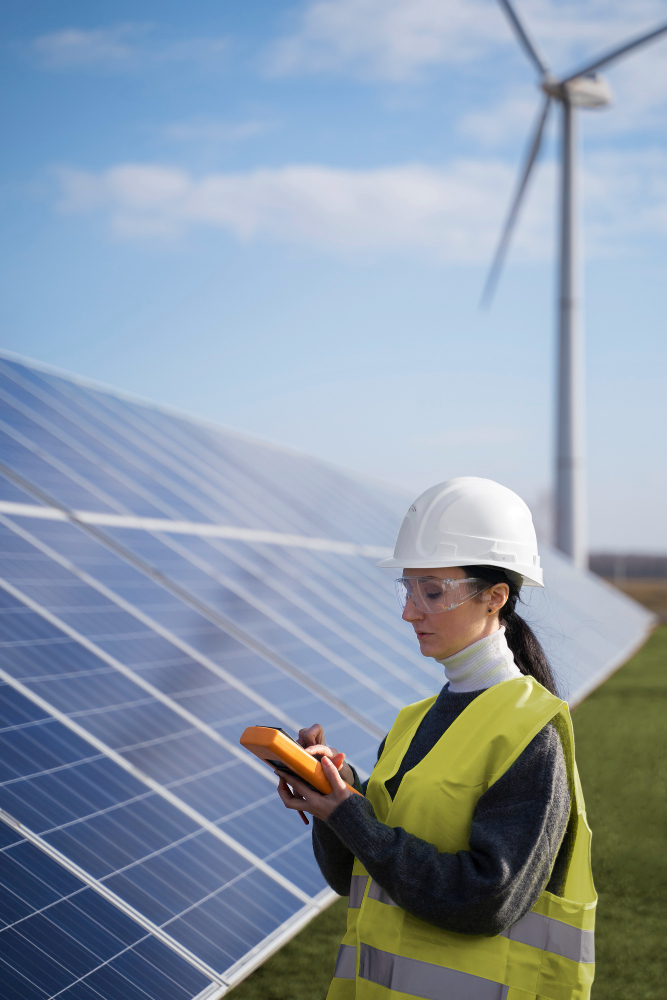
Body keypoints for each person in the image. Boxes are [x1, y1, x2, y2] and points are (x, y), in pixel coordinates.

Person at [276, 477, 596, 1000]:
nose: (409, 611)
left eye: (432, 591)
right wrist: (338, 792)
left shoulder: (530, 733)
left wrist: (349, 815)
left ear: (495, 597)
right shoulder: (411, 723)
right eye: (408, 589)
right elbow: (357, 876)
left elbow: (486, 899)